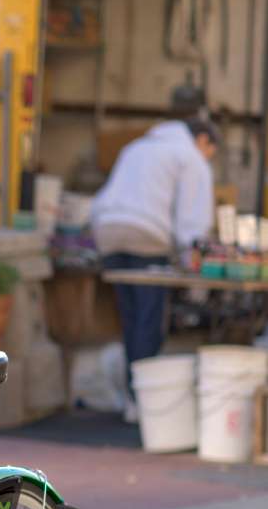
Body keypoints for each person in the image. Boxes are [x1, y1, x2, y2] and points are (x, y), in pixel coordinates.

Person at [91, 117, 219, 422]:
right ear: (203, 140)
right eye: (211, 152)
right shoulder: (190, 156)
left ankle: (130, 398)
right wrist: (197, 273)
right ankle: (143, 403)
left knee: (130, 318)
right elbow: (193, 220)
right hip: (146, 234)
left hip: (107, 230)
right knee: (149, 321)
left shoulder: (137, 146)